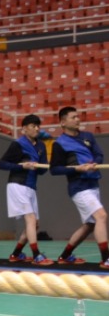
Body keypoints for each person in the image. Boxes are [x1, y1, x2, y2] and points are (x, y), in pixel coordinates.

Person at [49, 106, 108, 268]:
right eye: (73, 117)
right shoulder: (59, 144)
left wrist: (96, 162)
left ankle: (65, 256)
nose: (77, 119)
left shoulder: (88, 136)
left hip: (93, 184)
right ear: (63, 122)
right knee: (101, 216)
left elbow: (99, 154)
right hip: (79, 187)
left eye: (78, 117)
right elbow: (54, 169)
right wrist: (77, 168)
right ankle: (106, 259)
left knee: (91, 225)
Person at [0, 114, 53, 264]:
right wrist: (21, 165)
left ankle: (16, 254)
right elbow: (1, 164)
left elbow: (42, 171)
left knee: (35, 225)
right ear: (23, 129)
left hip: (31, 186)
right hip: (17, 184)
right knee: (30, 219)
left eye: (38, 126)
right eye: (32, 126)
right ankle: (36, 255)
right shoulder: (18, 144)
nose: (36, 128)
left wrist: (40, 165)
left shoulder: (41, 145)